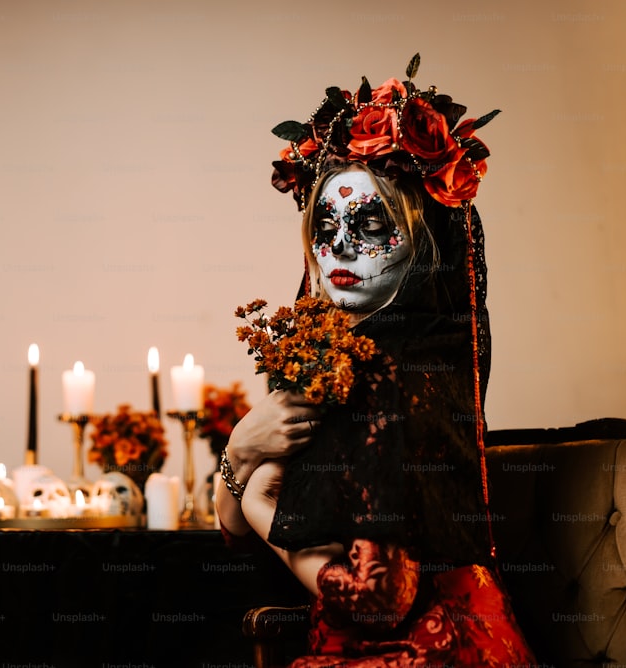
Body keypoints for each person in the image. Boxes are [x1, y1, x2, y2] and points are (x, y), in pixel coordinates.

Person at [216, 56, 536, 666]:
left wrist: (257, 499)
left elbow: (376, 599)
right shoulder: (330, 360)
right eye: (325, 224)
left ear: (422, 241)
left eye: (368, 222)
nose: (337, 246)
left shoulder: (410, 374)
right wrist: (241, 452)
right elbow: (232, 539)